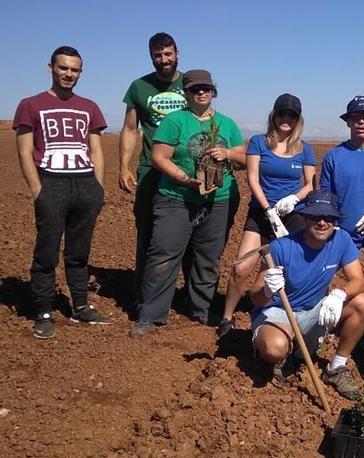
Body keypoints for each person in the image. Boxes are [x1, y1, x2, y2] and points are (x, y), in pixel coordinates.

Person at [131, 69, 246, 337]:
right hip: (176, 197)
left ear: (213, 91)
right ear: (186, 93)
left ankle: (200, 308)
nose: (201, 93)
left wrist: (226, 153)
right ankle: (151, 314)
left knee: (207, 257)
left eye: (206, 88)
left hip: (217, 200)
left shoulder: (227, 124)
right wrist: (183, 178)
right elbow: (159, 157)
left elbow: (243, 159)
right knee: (164, 254)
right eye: (195, 89)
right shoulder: (175, 121)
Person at [14, 46, 110, 339]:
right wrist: (38, 190)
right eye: (63, 68)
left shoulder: (89, 107)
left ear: (80, 72)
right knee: (46, 251)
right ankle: (43, 310)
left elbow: (96, 149)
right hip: (51, 182)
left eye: (74, 69)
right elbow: (25, 150)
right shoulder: (31, 105)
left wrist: (98, 187)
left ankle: (80, 305)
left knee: (79, 252)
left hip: (84, 184)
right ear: (51, 68)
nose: (69, 74)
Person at [250, 191, 364, 400]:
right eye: (316, 216)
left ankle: (336, 367)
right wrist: (268, 290)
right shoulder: (281, 247)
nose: (323, 222)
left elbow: (358, 281)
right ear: (305, 217)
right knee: (274, 348)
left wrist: (340, 294)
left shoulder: (341, 240)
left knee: (363, 303)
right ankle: (281, 351)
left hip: (314, 312)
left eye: (328, 217)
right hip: (280, 312)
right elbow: (255, 297)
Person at [217, 93, 315, 336]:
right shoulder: (259, 142)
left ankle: (286, 316)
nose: (286, 119)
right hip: (261, 215)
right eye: (282, 113)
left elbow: (310, 184)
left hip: (293, 216)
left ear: (298, 119)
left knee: (289, 269)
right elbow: (252, 178)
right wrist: (268, 210)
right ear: (274, 115)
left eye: (292, 115)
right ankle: (227, 317)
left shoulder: (305, 149)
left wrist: (294, 199)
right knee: (241, 267)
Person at [119, 33, 187, 306]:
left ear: (177, 53)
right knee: (147, 232)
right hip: (150, 171)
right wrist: (123, 167)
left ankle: (186, 296)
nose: (163, 60)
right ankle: (143, 293)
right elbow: (128, 129)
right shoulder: (139, 86)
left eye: (168, 54)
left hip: (186, 170)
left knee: (189, 233)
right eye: (158, 55)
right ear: (151, 57)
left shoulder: (191, 83)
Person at [320, 96, 364, 335]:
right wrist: (333, 225)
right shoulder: (334, 157)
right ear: (348, 122)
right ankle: (324, 323)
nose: (360, 122)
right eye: (355, 118)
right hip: (345, 231)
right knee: (329, 278)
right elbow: (326, 197)